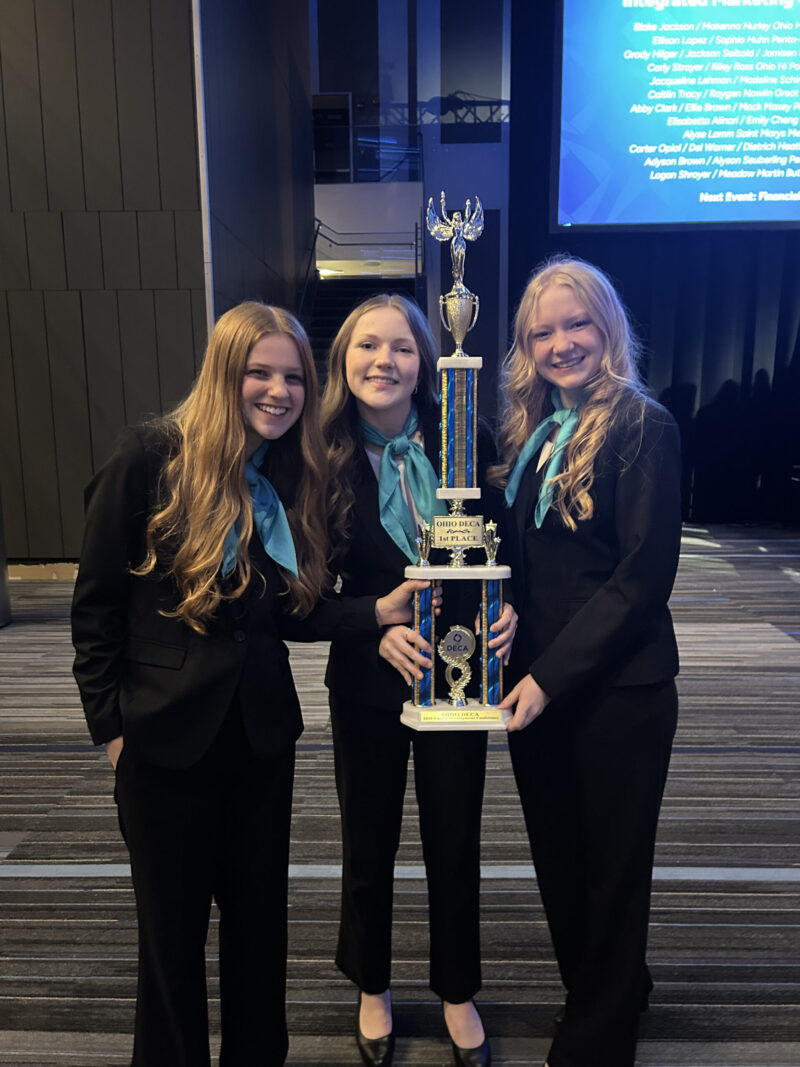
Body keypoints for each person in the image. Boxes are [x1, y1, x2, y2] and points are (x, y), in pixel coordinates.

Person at [71, 301, 432, 1067]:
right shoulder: (150, 457)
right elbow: (95, 610)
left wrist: (374, 611)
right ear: (224, 373)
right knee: (170, 950)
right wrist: (113, 735)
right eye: (259, 373)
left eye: (293, 376)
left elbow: (286, 612)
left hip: (262, 742)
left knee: (259, 940)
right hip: (162, 744)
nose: (278, 390)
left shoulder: (284, 475)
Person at [492, 258, 682, 1067]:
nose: (562, 343)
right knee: (560, 858)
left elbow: (639, 581)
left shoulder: (644, 425)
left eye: (578, 325)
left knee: (610, 864)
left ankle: (600, 1032)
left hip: (616, 688)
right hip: (537, 684)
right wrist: (506, 617)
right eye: (543, 331)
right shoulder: (536, 433)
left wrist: (545, 676)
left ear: (607, 330)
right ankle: (611, 983)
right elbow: (537, 567)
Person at [320, 293, 516, 1067]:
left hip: (463, 670)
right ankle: (371, 983)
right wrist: (373, 620)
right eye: (368, 346)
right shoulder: (318, 452)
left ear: (424, 361)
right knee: (367, 834)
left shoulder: (462, 435)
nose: (384, 362)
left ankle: (457, 988)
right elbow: (303, 585)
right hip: (369, 675)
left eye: (401, 347)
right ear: (345, 358)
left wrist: (515, 615)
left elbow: (506, 545)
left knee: (454, 832)